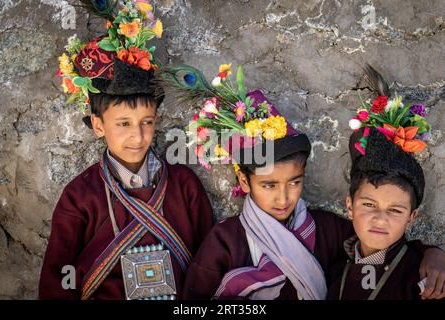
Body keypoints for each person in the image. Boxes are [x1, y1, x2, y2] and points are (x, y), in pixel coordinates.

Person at [159, 63, 445, 300]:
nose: (284, 198)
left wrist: (431, 253)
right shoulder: (226, 241)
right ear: (244, 181)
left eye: (294, 182)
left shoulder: (326, 230)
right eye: (269, 185)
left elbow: (379, 241)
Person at [39, 0, 213, 300]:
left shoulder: (184, 185)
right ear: (98, 125)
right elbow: (59, 278)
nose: (137, 135)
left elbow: (210, 262)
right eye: (123, 123)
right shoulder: (79, 197)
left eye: (146, 121)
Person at [327, 67, 445, 300]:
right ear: (349, 206)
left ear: (412, 217)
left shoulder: (426, 281)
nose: (380, 219)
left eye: (395, 210)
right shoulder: (334, 268)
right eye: (369, 205)